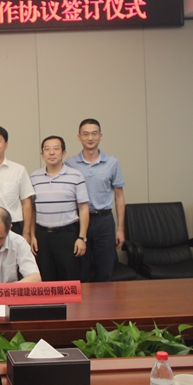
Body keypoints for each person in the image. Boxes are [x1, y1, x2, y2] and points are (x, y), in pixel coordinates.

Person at [65, 118, 126, 282]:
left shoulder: (112, 163)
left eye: (94, 134)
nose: (90, 138)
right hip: (79, 222)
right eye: (86, 134)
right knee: (81, 271)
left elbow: (119, 197)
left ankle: (104, 300)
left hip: (104, 220)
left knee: (105, 271)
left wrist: (120, 229)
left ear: (101, 136)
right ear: (79, 137)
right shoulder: (70, 163)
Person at [29, 136, 89, 281]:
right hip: (42, 236)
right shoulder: (34, 177)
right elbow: (32, 209)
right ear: (42, 154)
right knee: (46, 279)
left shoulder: (76, 176)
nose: (51, 153)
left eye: (56, 149)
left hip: (67, 234)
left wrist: (82, 237)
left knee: (70, 278)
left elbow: (83, 208)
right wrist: (32, 235)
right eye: (47, 149)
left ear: (63, 153)